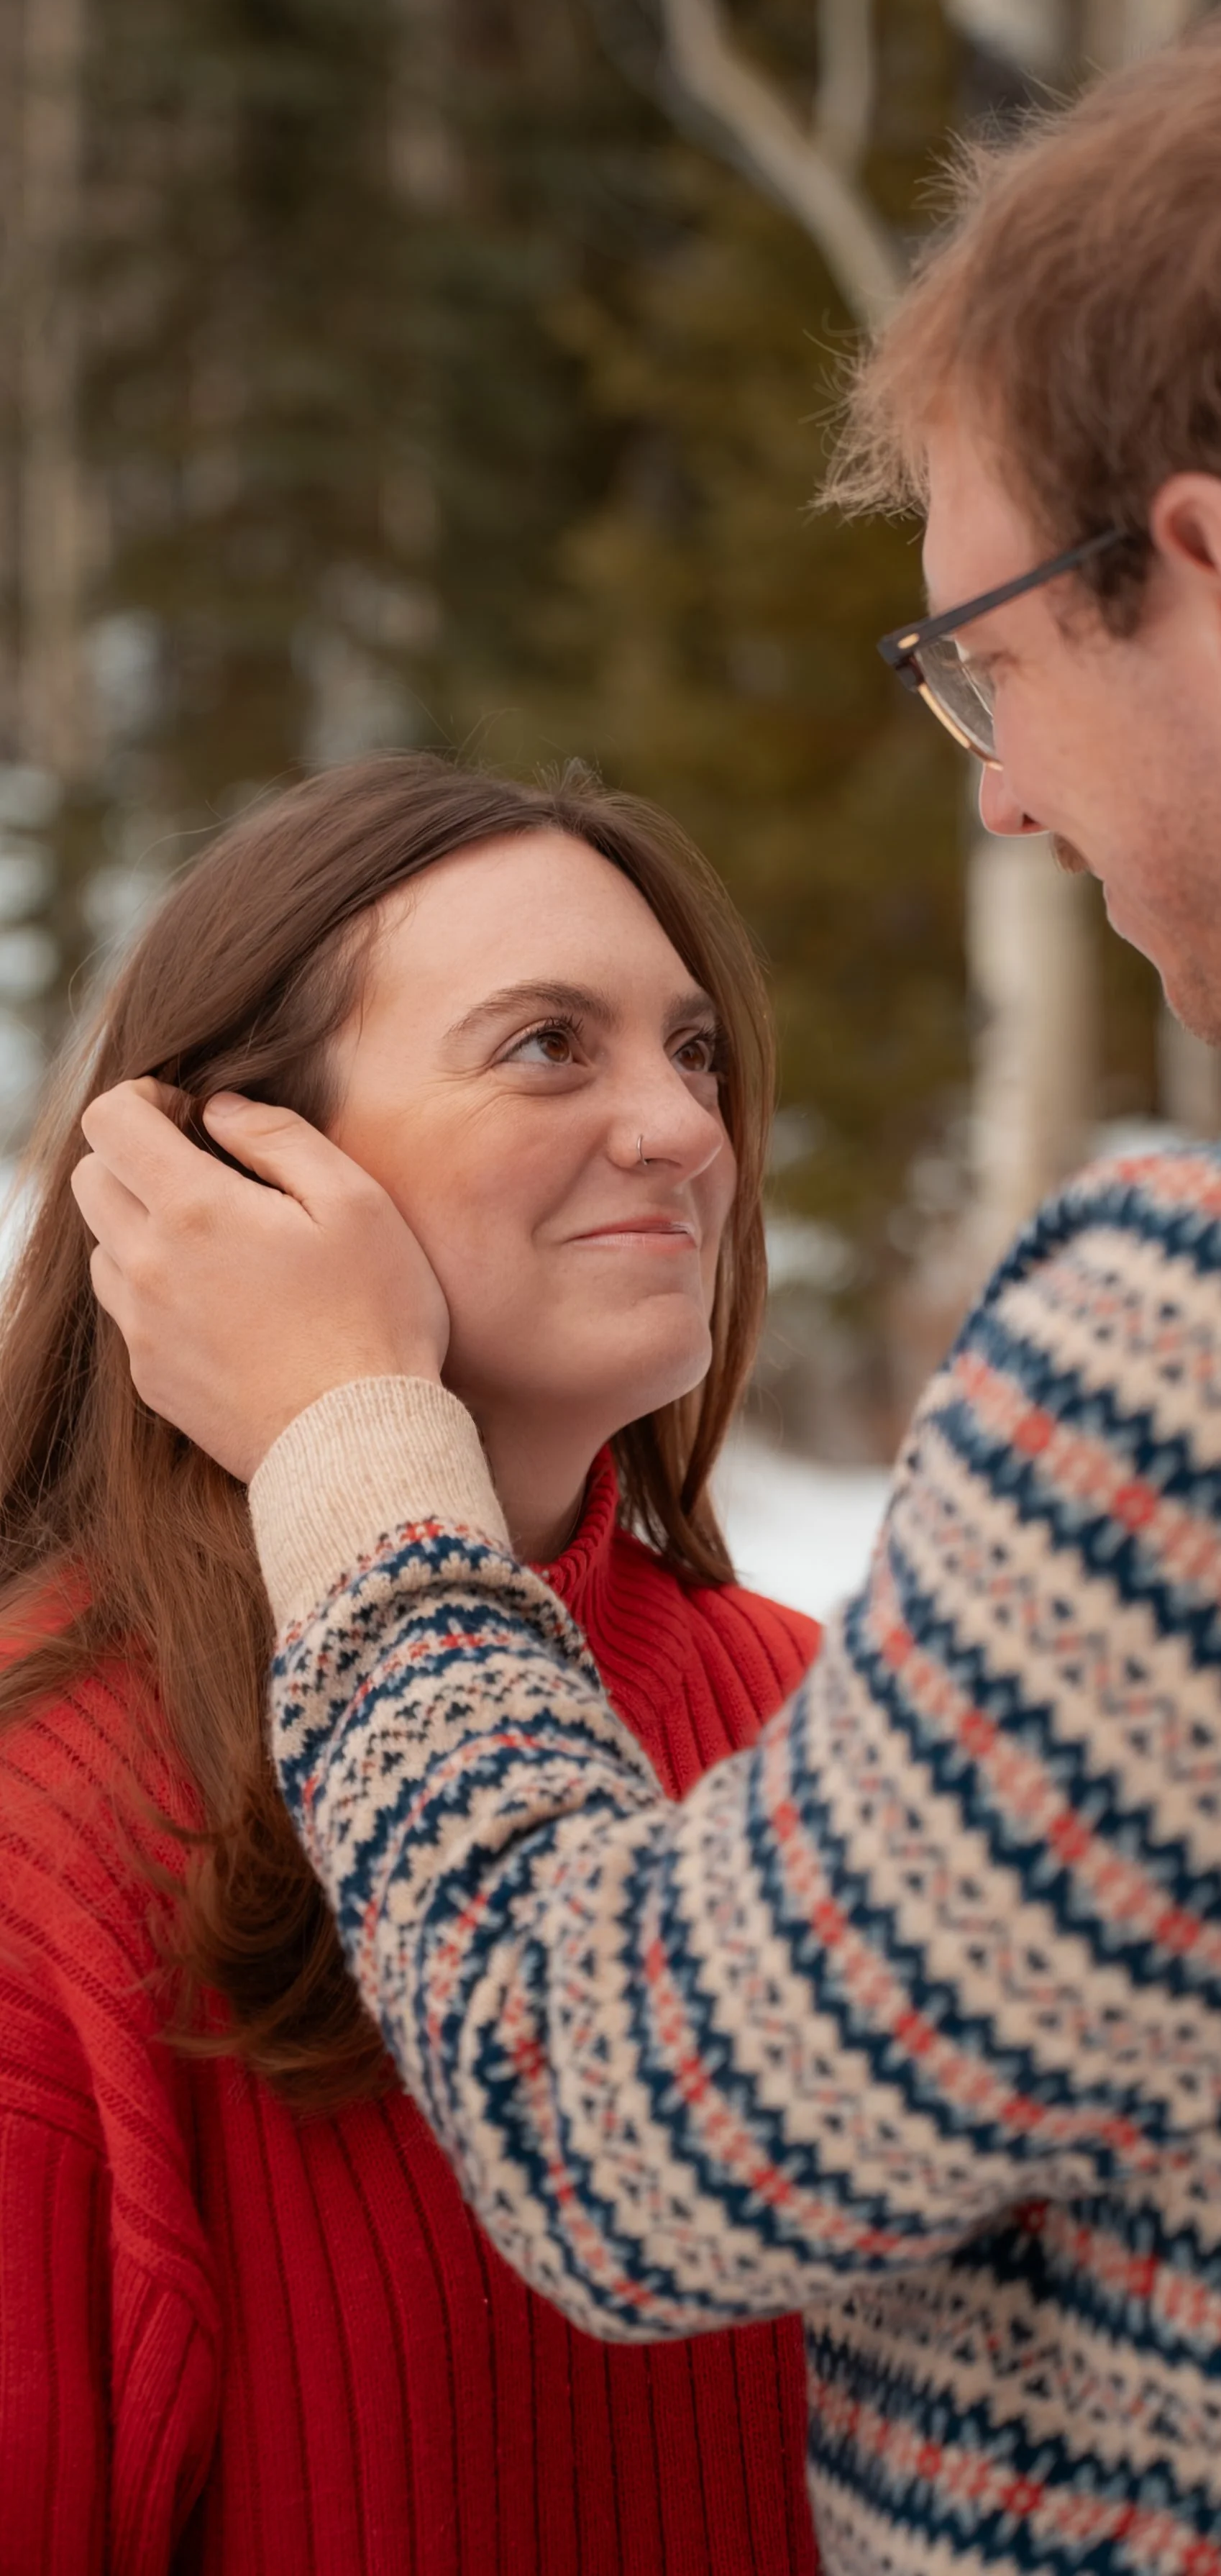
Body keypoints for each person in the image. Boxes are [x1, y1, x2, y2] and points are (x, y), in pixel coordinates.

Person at [73, 0, 1221, 2576]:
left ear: (1213, 583)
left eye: (992, 654)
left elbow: (625, 2124)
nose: (998, 789)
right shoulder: (65, 1815)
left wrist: (347, 1443)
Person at [0, 757, 820, 2575]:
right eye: (546, 1044)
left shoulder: (825, 1714)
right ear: (230, 1171)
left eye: (692, 1052)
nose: (687, 1129)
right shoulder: (45, 1819)